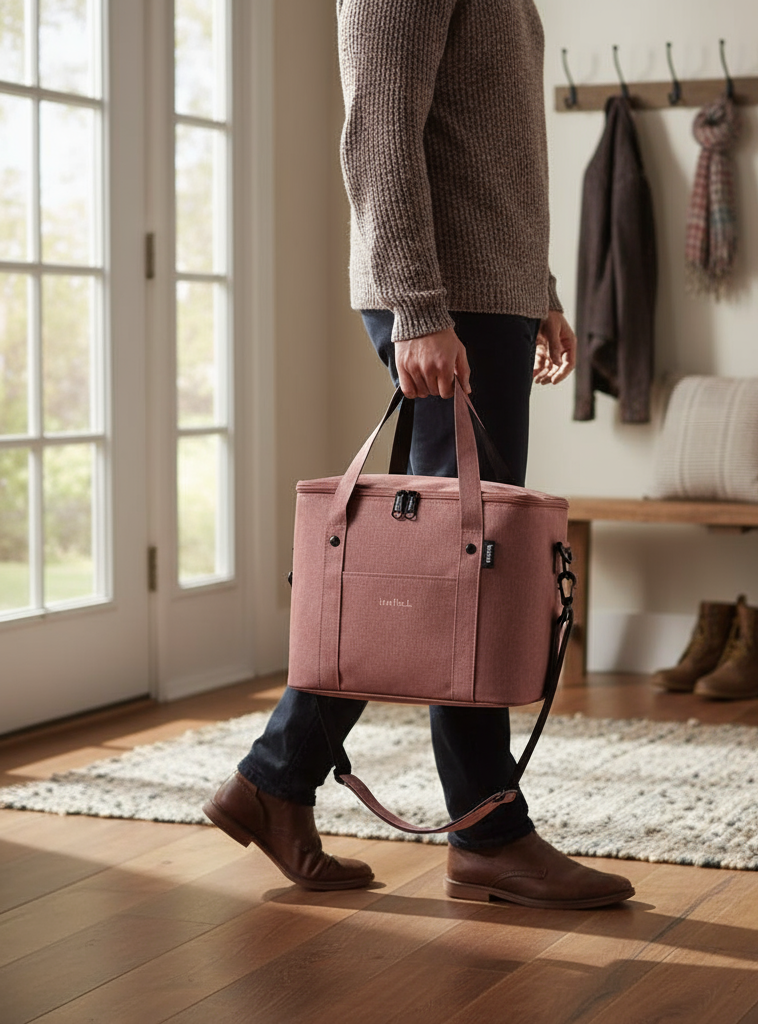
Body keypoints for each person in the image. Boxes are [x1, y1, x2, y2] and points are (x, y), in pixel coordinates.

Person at [203, 0, 635, 910]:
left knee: (450, 563)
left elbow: (490, 142)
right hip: (446, 297)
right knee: (464, 563)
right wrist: (416, 305)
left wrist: (537, 287)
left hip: (487, 291)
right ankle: (484, 832)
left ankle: (279, 784)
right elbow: (379, 129)